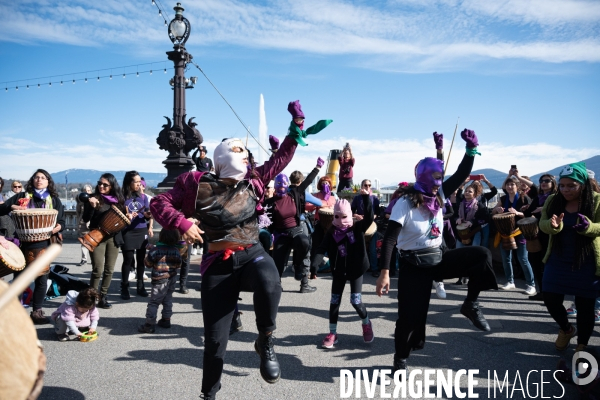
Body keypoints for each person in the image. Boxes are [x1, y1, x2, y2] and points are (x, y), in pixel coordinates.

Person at [150, 99, 331, 399]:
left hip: (251, 253)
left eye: (246, 156)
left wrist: (297, 125)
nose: (246, 159)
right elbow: (159, 203)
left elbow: (281, 159)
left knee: (270, 280)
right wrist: (182, 223)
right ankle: (209, 394)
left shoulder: (255, 181)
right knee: (215, 343)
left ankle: (266, 340)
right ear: (223, 159)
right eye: (240, 154)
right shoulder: (195, 184)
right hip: (216, 264)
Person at [376, 129, 498, 374]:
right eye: (433, 182)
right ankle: (400, 360)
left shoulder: (440, 193)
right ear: (423, 179)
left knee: (482, 255)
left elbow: (462, 173)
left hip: (438, 258)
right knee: (410, 318)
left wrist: (471, 150)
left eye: (439, 183)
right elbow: (390, 238)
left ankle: (470, 304)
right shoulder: (405, 202)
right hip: (413, 265)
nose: (437, 188)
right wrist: (385, 273)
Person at [539, 162, 600, 352]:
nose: (565, 190)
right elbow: (542, 224)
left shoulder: (596, 200)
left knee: (585, 306)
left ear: (582, 184)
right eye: (563, 185)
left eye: (571, 186)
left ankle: (582, 345)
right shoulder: (553, 200)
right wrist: (552, 225)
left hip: (587, 261)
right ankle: (566, 329)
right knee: (549, 297)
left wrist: (589, 227)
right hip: (558, 259)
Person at [0, 169, 65, 324]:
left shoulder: (54, 200)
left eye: (43, 178)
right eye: (36, 177)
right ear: (32, 180)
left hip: (44, 243)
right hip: (23, 242)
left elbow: (61, 220)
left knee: (42, 278)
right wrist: (13, 207)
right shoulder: (22, 196)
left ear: (48, 181)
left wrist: (58, 227)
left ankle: (37, 312)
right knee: (19, 279)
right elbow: (1, 209)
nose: (39, 180)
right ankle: (13, 312)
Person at [312, 190, 375, 348]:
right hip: (339, 270)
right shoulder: (332, 231)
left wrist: (366, 198)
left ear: (350, 215)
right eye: (337, 216)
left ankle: (366, 323)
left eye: (344, 216)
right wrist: (314, 264)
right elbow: (321, 248)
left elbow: (369, 217)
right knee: (334, 301)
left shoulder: (357, 228)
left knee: (356, 301)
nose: (340, 220)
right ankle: (333, 333)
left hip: (356, 269)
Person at [267, 160, 324, 293]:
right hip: (280, 234)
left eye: (283, 185)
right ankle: (277, 285)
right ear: (275, 186)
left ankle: (298, 266)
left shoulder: (294, 194)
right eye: (279, 185)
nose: (281, 187)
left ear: (287, 185)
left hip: (295, 229)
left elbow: (308, 181)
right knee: (278, 261)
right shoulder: (270, 202)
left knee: (305, 242)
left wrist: (318, 167)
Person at [82, 174, 126, 309]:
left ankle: (103, 296)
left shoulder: (118, 201)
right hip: (97, 237)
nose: (101, 186)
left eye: (105, 185)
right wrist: (92, 207)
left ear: (112, 186)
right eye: (100, 183)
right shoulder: (93, 198)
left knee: (109, 270)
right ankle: (91, 297)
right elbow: (85, 219)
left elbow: (121, 221)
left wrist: (128, 216)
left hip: (113, 238)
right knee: (97, 269)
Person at [492, 176, 536, 295]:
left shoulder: (524, 198)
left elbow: (532, 216)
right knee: (506, 258)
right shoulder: (503, 198)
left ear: (517, 186)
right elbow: (493, 211)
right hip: (505, 233)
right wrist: (498, 210)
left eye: (512, 185)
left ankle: (531, 284)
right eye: (508, 185)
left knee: (523, 258)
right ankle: (510, 281)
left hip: (520, 232)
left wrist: (517, 213)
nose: (510, 187)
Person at [138, 229, 183, 333]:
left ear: (161, 237)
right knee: (168, 299)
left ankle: (149, 324)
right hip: (171, 279)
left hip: (159, 280)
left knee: (154, 302)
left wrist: (149, 255)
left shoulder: (155, 250)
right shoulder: (176, 251)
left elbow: (148, 264)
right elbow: (178, 265)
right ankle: (166, 319)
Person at [523, 173, 558, 301]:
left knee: (547, 264)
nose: (543, 182)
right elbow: (529, 212)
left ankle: (551, 294)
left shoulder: (556, 197)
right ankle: (542, 291)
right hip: (537, 234)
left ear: (553, 182)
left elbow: (559, 212)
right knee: (536, 262)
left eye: (547, 180)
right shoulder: (538, 197)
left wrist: (543, 209)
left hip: (549, 234)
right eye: (541, 181)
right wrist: (525, 209)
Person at [120, 171, 152, 300]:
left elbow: (147, 212)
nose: (139, 184)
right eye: (136, 182)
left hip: (141, 229)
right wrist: (126, 215)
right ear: (129, 183)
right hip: (127, 231)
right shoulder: (122, 197)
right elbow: (116, 215)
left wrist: (147, 215)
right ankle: (124, 287)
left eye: (140, 182)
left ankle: (140, 286)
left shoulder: (143, 197)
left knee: (141, 260)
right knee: (127, 260)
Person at [306, 176, 337, 279]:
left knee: (332, 247)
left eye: (327, 183)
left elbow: (338, 208)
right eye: (323, 183)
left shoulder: (333, 197)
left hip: (331, 224)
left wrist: (329, 206)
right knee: (316, 246)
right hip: (319, 223)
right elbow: (307, 206)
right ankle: (313, 269)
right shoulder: (316, 195)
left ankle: (334, 268)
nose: (325, 185)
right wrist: (318, 204)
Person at [351, 179, 380, 277]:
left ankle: (374, 268)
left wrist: (372, 217)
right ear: (362, 186)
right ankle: (360, 267)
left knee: (372, 249)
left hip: (372, 225)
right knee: (359, 247)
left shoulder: (374, 198)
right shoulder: (357, 198)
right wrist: (356, 215)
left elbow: (378, 212)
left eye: (369, 185)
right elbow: (351, 211)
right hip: (360, 225)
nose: (367, 186)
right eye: (365, 185)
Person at [454, 183, 489, 248]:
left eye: (470, 191)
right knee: (458, 251)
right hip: (461, 234)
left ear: (475, 194)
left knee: (474, 252)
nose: (467, 193)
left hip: (474, 232)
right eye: (466, 191)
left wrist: (472, 222)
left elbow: (485, 219)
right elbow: (454, 216)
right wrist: (457, 219)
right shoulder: (460, 204)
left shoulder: (479, 205)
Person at [76, 184, 93, 266]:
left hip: (92, 224)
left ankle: (94, 259)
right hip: (83, 224)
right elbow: (78, 213)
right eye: (85, 191)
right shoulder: (80, 202)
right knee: (83, 242)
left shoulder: (94, 200)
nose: (87, 192)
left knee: (92, 242)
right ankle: (84, 259)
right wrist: (79, 221)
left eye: (89, 190)